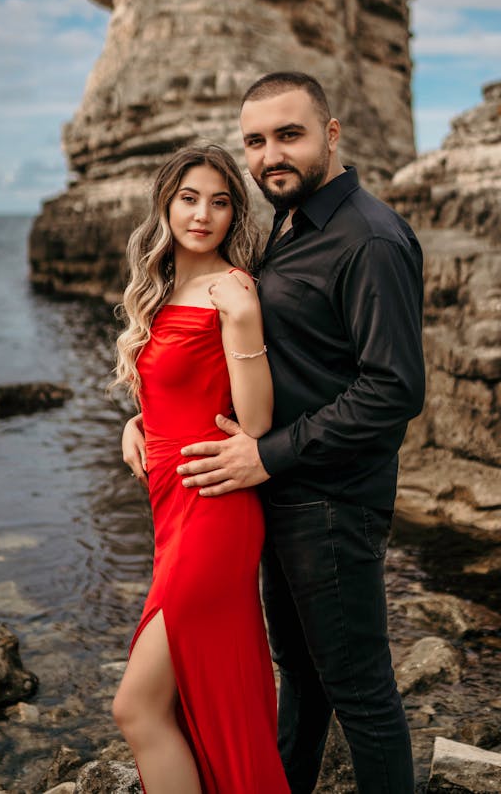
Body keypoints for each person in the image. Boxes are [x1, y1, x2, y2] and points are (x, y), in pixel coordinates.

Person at [172, 71, 425, 793]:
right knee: (303, 682)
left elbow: (394, 389)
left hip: (331, 503)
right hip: (280, 493)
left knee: (362, 696)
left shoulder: (370, 240)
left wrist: (266, 455)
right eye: (254, 141)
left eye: (289, 135)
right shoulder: (282, 225)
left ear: (332, 133)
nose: (269, 156)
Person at [111, 144, 290, 794]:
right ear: (167, 203)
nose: (203, 214)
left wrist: (244, 322)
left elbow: (257, 422)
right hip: (171, 511)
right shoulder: (162, 288)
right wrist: (138, 426)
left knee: (136, 706)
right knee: (184, 701)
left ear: (233, 213)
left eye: (220, 202)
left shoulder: (231, 289)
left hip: (215, 510)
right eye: (190, 198)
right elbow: (173, 392)